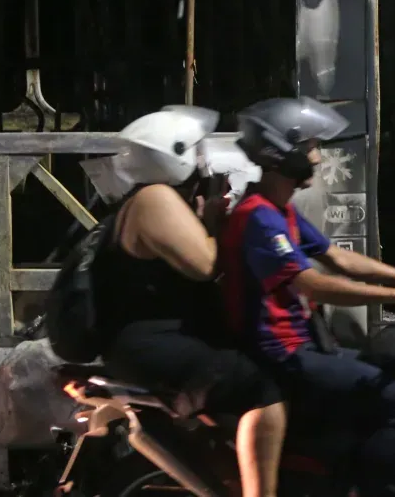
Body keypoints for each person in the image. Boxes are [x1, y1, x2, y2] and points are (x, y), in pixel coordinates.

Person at [218, 96, 395, 497]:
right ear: (281, 155)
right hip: (283, 354)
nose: (318, 158)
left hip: (307, 345)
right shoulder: (258, 217)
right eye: (310, 148)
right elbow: (311, 283)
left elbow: (338, 258)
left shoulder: (279, 210)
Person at [93, 105, 287, 497]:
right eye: (196, 152)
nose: (204, 164)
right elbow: (206, 264)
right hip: (152, 344)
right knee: (260, 386)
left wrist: (210, 218)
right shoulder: (154, 199)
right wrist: (220, 223)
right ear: (173, 154)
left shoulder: (149, 200)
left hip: (154, 338)